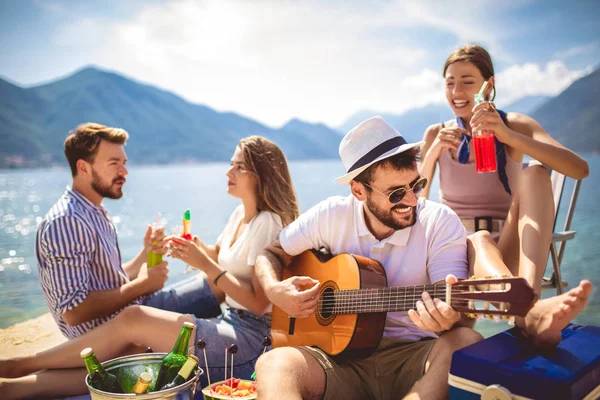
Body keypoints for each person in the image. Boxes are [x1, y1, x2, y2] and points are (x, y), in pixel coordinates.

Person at [0, 135, 299, 400]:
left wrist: (203, 263)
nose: (228, 171)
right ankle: (19, 387)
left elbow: (260, 303)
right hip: (230, 320)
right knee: (135, 353)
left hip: (248, 342)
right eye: (231, 164)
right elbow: (218, 255)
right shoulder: (239, 215)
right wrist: (188, 247)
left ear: (261, 175)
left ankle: (29, 363)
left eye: (239, 167)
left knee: (135, 318)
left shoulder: (267, 222)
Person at [253, 116, 484, 400]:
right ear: (359, 190)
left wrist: (448, 320)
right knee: (273, 364)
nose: (411, 200)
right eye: (396, 193)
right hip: (338, 361)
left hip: (416, 356)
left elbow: (454, 310)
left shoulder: (439, 222)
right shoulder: (330, 216)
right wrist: (276, 290)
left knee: (465, 342)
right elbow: (270, 253)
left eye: (416, 185)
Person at [418, 45, 592, 346]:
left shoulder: (512, 124)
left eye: (468, 81)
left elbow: (579, 169)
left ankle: (527, 300)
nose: (457, 91)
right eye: (450, 82)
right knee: (478, 239)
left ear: (489, 85)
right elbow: (411, 203)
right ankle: (529, 310)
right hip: (454, 258)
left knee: (535, 173)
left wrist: (510, 137)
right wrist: (432, 155)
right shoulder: (436, 133)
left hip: (507, 250)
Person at [35, 122, 223, 341]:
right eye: (114, 163)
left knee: (217, 284)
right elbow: (74, 313)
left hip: (129, 312)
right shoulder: (67, 221)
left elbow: (105, 278)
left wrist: (146, 254)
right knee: (219, 293)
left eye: (123, 163)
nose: (124, 172)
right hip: (114, 336)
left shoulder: (93, 211)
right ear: (83, 167)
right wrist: (142, 286)